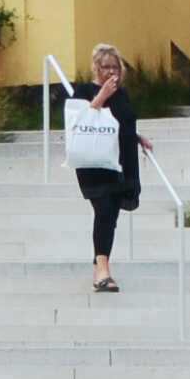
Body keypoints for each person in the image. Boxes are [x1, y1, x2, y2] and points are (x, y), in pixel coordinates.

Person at [68, 44, 141, 293]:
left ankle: (100, 263)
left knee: (110, 215)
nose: (111, 72)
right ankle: (102, 270)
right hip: (95, 163)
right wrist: (101, 97)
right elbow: (78, 121)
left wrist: (139, 137)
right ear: (97, 68)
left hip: (121, 162)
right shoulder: (84, 90)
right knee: (105, 209)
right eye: (106, 67)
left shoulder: (123, 94)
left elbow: (121, 123)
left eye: (115, 67)